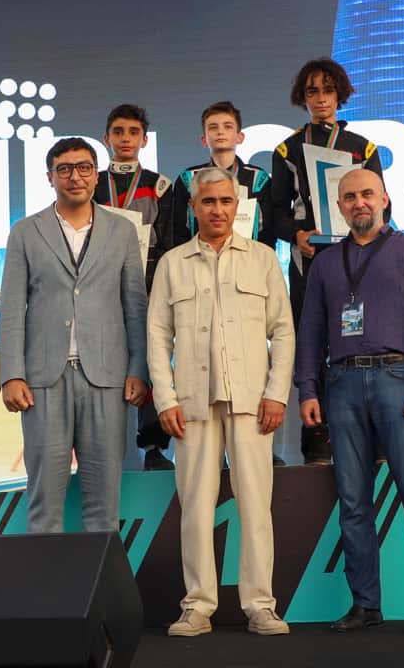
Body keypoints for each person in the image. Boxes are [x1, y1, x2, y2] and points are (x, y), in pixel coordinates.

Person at [294, 168, 404, 632]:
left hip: (399, 380)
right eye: (349, 197)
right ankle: (366, 605)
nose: (359, 202)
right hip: (341, 385)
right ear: (339, 207)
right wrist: (308, 389)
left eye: (367, 194)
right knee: (353, 501)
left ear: (384, 200)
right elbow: (310, 332)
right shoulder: (325, 263)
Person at [148, 167, 295, 637]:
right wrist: (165, 399)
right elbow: (157, 336)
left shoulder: (262, 259)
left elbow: (283, 332)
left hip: (252, 401)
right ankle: (197, 606)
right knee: (195, 507)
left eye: (225, 201)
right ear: (193, 208)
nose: (217, 210)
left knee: (256, 506)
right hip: (191, 403)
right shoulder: (172, 263)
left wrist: (276, 393)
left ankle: (261, 606)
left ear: (238, 206)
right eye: (208, 202)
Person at [0, 137, 149, 533]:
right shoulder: (26, 232)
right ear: (50, 177)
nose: (75, 177)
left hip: (107, 378)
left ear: (96, 175)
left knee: (104, 505)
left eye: (84, 168)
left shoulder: (121, 230)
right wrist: (12, 375)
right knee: (45, 504)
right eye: (64, 169)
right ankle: (46, 577)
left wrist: (139, 368)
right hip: (43, 381)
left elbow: (135, 306)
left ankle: (100, 577)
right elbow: (11, 309)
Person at [272, 57, 386, 465]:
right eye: (312, 91)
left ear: (340, 94)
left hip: (358, 259)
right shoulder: (287, 149)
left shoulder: (363, 147)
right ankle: (317, 439)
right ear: (302, 98)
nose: (321, 98)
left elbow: (383, 206)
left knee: (365, 340)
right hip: (310, 261)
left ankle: (372, 434)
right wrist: (296, 235)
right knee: (311, 343)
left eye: (328, 90)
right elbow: (275, 212)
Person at [93, 103, 177, 471]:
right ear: (106, 138)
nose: (125, 138)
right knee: (101, 364)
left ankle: (154, 447)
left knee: (152, 362)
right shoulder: (92, 184)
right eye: (118, 132)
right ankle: (104, 447)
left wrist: (159, 288)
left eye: (133, 132)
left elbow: (170, 244)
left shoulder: (160, 186)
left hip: (147, 288)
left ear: (144, 140)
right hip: (99, 290)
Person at [169, 100, 276, 249]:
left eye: (228, 126)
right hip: (200, 258)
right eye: (213, 127)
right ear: (204, 140)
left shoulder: (258, 179)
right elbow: (178, 231)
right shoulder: (189, 179)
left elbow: (268, 232)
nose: (220, 132)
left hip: (248, 259)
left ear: (240, 137)